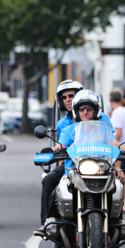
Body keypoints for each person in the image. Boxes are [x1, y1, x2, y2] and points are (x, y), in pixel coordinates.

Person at [33, 79, 83, 238]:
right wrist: (52, 153)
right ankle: (46, 223)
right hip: (70, 165)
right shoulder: (63, 124)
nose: (68, 99)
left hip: (94, 164)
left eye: (71, 96)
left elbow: (110, 142)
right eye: (64, 97)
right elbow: (61, 145)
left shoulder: (97, 118)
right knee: (49, 180)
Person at [109, 91, 125, 212]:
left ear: (110, 101)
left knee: (123, 178)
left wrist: (111, 142)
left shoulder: (117, 112)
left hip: (120, 149)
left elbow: (117, 132)